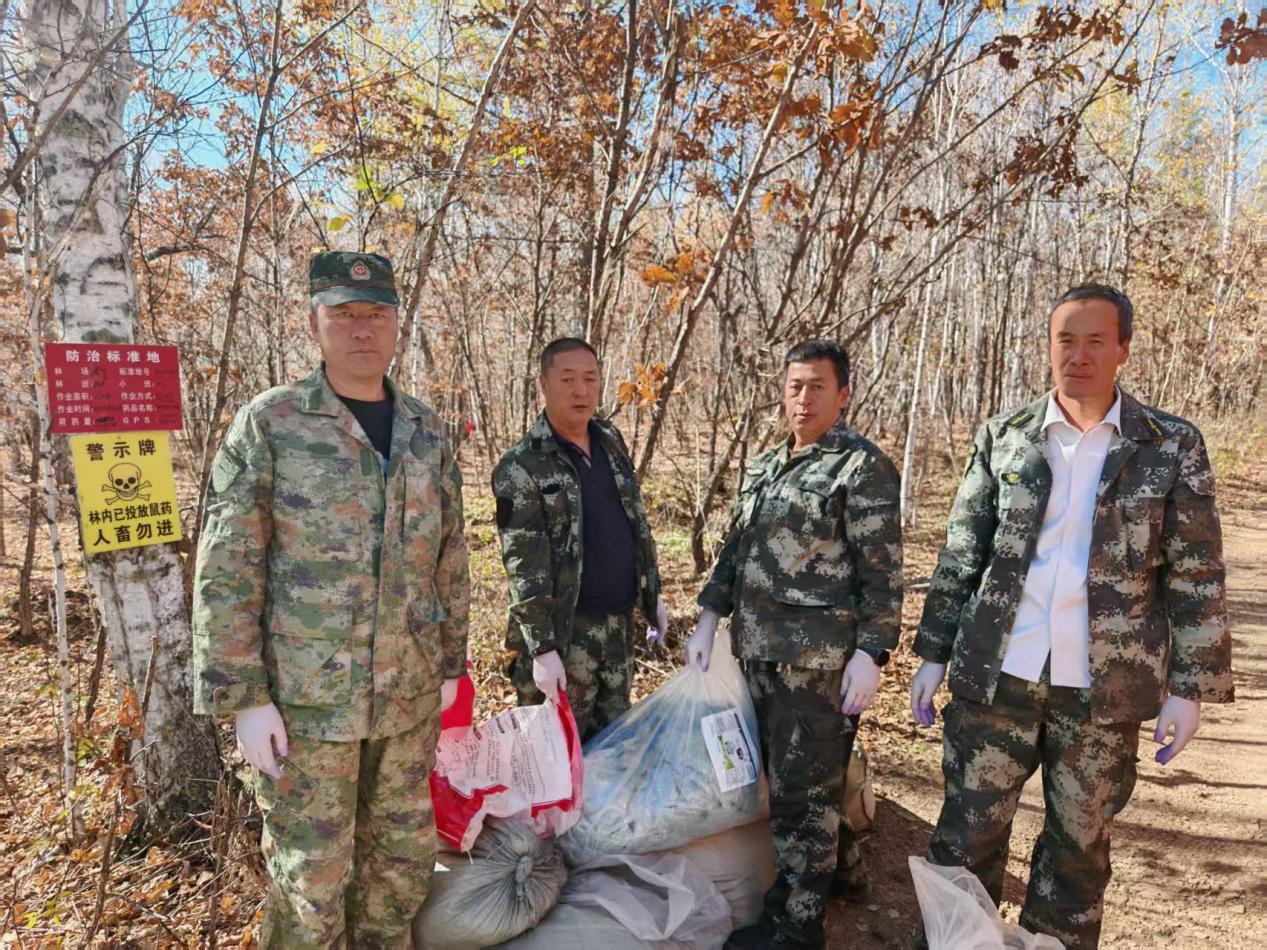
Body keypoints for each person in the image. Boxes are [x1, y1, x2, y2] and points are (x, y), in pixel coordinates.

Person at [910, 283, 1234, 948]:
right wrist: (932, 654)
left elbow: (1195, 572)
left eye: (1094, 341)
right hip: (998, 675)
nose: (1078, 355)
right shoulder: (1005, 437)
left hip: (1103, 690)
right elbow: (962, 553)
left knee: (1077, 855)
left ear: (1122, 350)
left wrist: (1190, 690)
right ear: (1049, 347)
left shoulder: (1169, 445)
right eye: (1065, 340)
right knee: (964, 840)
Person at [192, 252, 469, 948]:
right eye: (343, 314)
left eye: (375, 314)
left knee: (400, 873)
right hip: (307, 705)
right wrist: (244, 698)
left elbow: (450, 556)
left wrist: (449, 665)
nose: (361, 329)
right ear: (313, 322)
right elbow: (228, 566)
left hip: (406, 698)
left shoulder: (427, 431)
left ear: (397, 324)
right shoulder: (273, 424)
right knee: (310, 891)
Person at [687, 340, 903, 949]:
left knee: (801, 796)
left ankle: (795, 928)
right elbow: (736, 549)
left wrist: (872, 652)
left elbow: (882, 571)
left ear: (843, 395)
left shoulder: (860, 468)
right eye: (794, 386)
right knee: (793, 780)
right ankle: (843, 874)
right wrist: (709, 615)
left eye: (816, 387)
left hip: (816, 664)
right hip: (757, 651)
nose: (803, 398)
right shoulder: (766, 464)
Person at [492, 337, 668, 741]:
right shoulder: (522, 466)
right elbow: (523, 564)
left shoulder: (610, 441)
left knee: (612, 753)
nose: (580, 390)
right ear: (544, 384)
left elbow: (636, 523)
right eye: (568, 379)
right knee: (555, 761)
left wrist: (652, 594)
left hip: (617, 633)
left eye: (590, 379)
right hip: (564, 640)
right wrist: (541, 648)